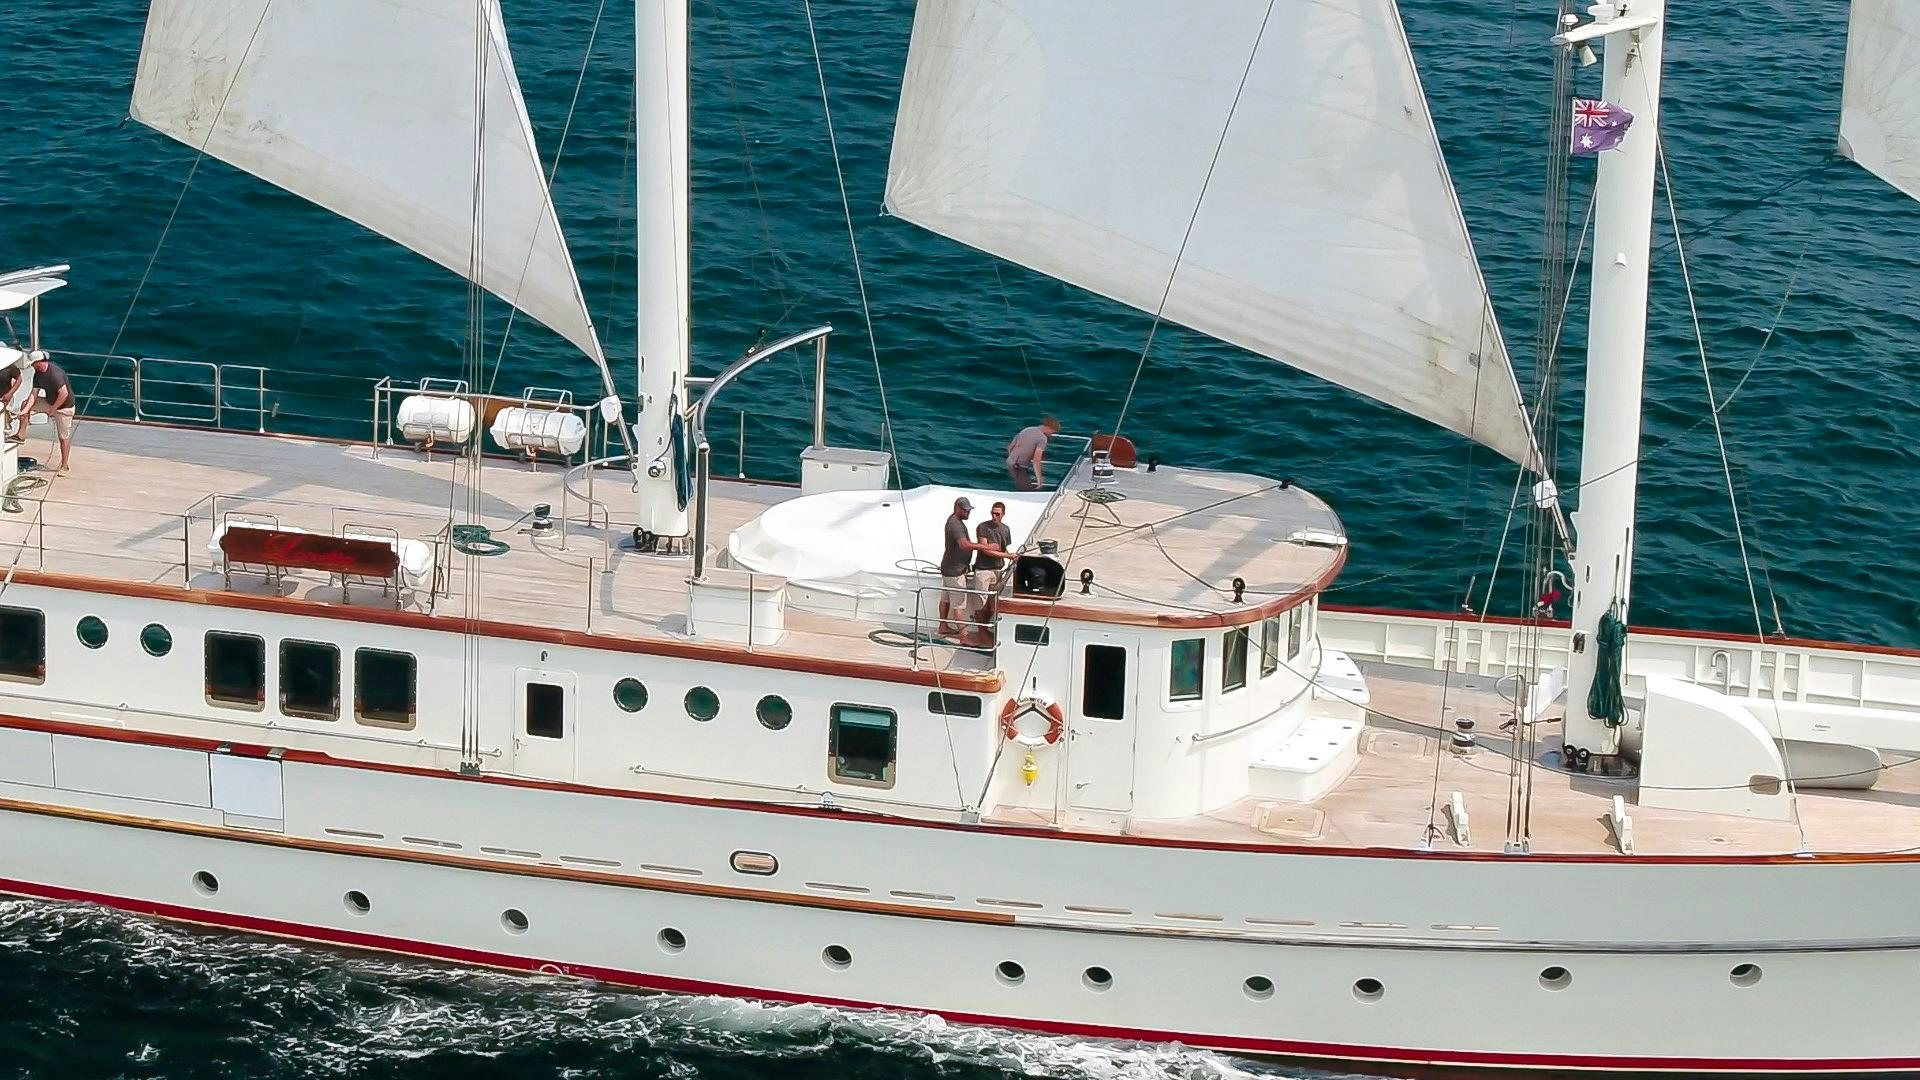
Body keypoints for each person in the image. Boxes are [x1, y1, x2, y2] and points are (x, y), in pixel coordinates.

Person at [938, 497, 1015, 644]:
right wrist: (988, 547)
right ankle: (964, 637)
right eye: (965, 510)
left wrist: (1007, 555)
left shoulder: (957, 522)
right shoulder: (956, 525)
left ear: (1003, 514)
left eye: (969, 510)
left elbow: (1003, 548)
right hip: (955, 571)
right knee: (960, 604)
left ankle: (943, 626)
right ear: (958, 508)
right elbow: (965, 545)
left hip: (952, 567)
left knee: (946, 597)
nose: (968, 513)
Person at [17, 351, 76, 473]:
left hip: (64, 408)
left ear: (38, 363)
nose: (32, 367)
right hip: (49, 403)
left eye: (33, 364)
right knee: (24, 404)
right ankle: (21, 434)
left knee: (63, 438)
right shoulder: (37, 374)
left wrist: (53, 410)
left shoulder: (55, 374)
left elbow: (64, 394)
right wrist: (26, 410)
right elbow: (34, 394)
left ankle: (64, 466)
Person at [970, 501, 1017, 640]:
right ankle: (982, 632)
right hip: (983, 570)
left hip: (997, 570)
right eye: (992, 513)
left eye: (997, 514)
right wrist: (1008, 556)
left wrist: (1011, 556)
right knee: (981, 602)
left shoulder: (1005, 529)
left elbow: (1003, 549)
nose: (994, 516)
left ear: (1003, 514)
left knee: (992, 603)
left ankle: (986, 629)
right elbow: (985, 550)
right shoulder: (983, 527)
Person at [1005, 415, 1060, 490]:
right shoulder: (1042, 438)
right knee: (1027, 491)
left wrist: (1012, 459)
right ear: (1049, 428)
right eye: (1052, 432)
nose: (1051, 434)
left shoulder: (1027, 429)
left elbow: (1010, 447)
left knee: (1020, 487)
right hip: (1019, 467)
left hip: (1010, 462)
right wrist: (1040, 481)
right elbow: (1036, 461)